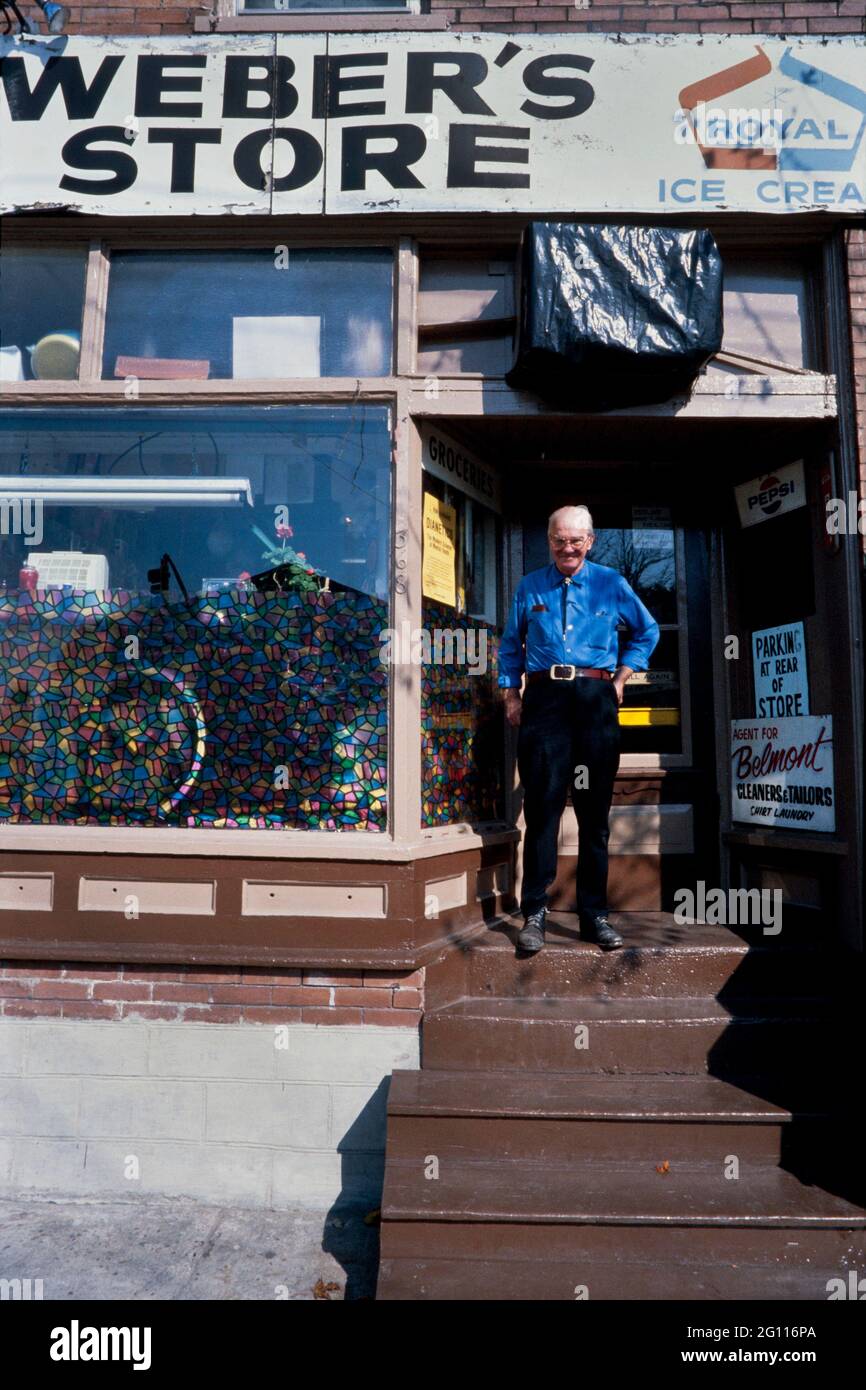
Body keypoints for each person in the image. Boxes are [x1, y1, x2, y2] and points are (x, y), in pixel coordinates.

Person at [499, 505, 660, 954]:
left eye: (575, 540)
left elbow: (647, 632)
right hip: (545, 702)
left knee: (594, 818)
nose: (566, 548)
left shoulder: (612, 582)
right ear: (549, 540)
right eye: (558, 540)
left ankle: (594, 916)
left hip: (595, 699)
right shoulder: (531, 585)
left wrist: (623, 678)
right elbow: (511, 646)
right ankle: (534, 913)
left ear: (590, 541)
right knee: (542, 811)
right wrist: (511, 695)